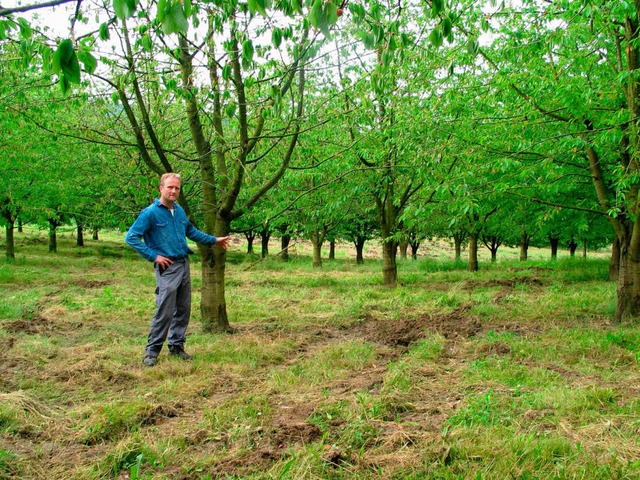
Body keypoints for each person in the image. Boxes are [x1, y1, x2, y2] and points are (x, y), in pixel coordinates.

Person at [125, 173, 231, 367]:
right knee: (165, 309)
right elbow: (131, 237)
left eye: (177, 188)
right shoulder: (149, 213)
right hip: (167, 266)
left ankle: (176, 346)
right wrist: (154, 256)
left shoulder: (179, 211)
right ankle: (152, 351)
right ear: (161, 189)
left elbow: (191, 231)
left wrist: (214, 240)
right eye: (170, 187)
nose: (174, 191)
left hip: (183, 264)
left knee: (183, 308)